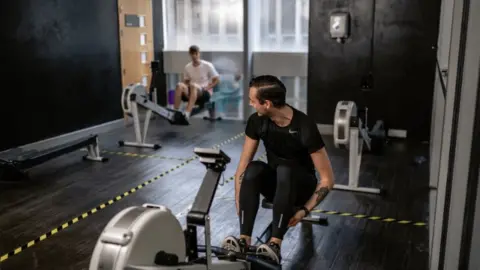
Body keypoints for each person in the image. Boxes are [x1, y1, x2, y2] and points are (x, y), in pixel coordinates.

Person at [221, 75, 335, 264]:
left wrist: (304, 211)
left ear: (266, 104)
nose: (250, 104)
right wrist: (239, 199)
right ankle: (244, 240)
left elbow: (327, 180)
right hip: (278, 184)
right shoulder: (257, 121)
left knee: (285, 169)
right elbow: (242, 167)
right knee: (254, 168)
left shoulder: (304, 126)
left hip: (301, 187)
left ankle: (275, 245)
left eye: (252, 100)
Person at [174, 45, 220, 119]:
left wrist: (208, 87)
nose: (194, 56)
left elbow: (217, 79)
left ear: (199, 53)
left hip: (204, 92)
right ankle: (175, 111)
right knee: (179, 85)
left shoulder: (207, 65)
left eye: (196, 54)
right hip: (192, 90)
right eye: (192, 54)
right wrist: (185, 88)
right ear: (190, 54)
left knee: (193, 86)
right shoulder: (187, 67)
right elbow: (186, 82)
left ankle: (187, 113)